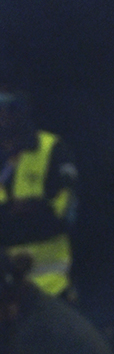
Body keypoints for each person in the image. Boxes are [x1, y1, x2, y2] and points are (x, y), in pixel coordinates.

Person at [0, 87, 78, 298]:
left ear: (21, 109)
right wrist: (13, 210)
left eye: (6, 105)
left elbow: (66, 211)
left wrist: (30, 211)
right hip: (5, 294)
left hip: (50, 287)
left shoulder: (51, 148)